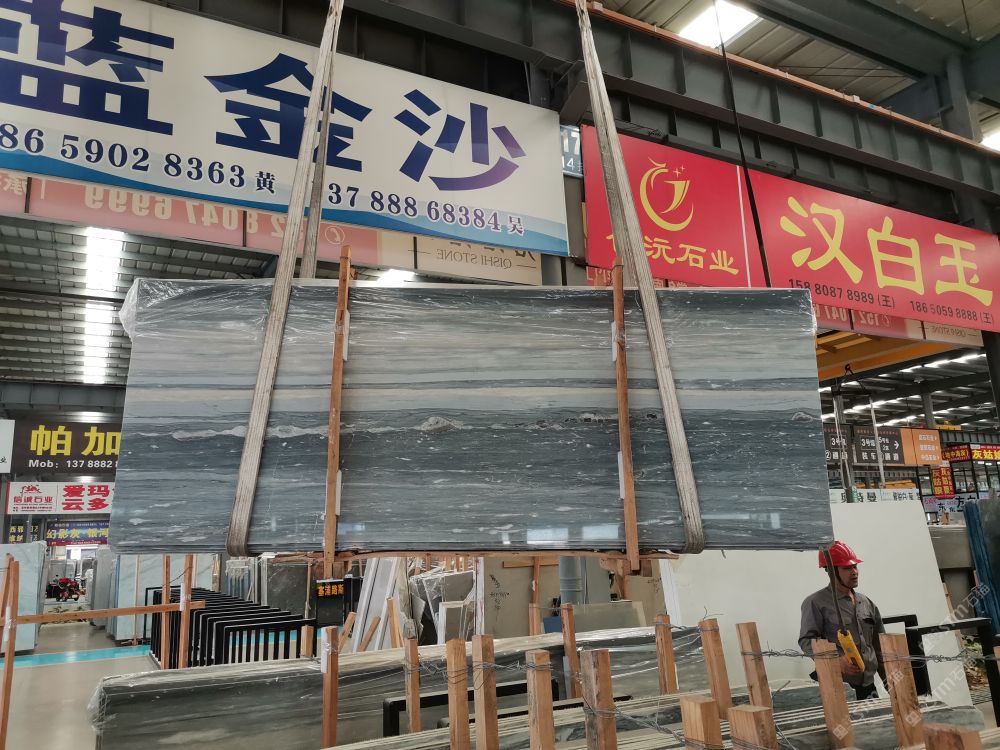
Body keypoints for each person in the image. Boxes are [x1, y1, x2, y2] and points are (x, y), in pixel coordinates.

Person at [799, 540, 885, 700]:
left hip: (868, 687)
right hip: (837, 688)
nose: (854, 572)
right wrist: (835, 661)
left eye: (855, 566)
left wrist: (891, 684)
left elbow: (880, 646)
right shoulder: (816, 603)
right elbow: (806, 640)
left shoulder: (866, 603)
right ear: (831, 571)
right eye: (847, 568)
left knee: (876, 718)